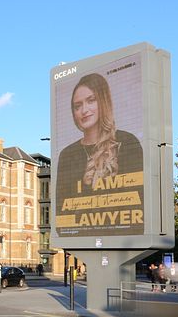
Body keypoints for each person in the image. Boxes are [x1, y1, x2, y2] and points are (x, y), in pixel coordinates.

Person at [56, 73, 143, 235]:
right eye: (77, 106)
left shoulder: (127, 142)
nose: (84, 110)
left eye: (91, 100)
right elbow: (62, 209)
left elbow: (139, 200)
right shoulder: (67, 154)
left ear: (103, 101)